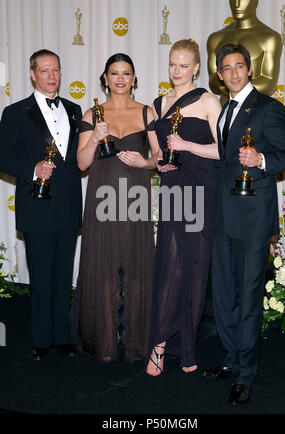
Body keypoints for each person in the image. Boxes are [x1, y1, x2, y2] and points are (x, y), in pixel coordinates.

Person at [200, 44, 285, 404]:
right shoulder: (225, 109)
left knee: (249, 296)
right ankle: (231, 359)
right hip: (224, 214)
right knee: (224, 295)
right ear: (220, 75)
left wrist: (260, 159)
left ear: (250, 68)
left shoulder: (269, 109)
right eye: (226, 68)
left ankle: (245, 374)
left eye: (239, 66)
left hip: (255, 218)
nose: (234, 73)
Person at [74, 53, 159, 363]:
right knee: (104, 265)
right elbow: (82, 163)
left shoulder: (147, 112)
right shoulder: (92, 113)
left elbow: (160, 158)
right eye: (114, 73)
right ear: (105, 79)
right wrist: (95, 137)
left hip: (135, 199)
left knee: (137, 265)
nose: (120, 78)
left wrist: (145, 161)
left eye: (126, 73)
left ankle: (137, 343)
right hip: (101, 200)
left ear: (134, 78)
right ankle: (105, 342)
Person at [0, 49, 83, 360]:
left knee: (63, 276)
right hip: (37, 205)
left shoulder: (76, 110)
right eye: (45, 71)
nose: (51, 76)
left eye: (56, 70)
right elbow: (2, 156)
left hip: (68, 204)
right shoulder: (15, 112)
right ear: (33, 74)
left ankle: (62, 337)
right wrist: (32, 169)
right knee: (41, 276)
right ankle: (41, 339)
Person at [146, 39, 221, 375]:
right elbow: (161, 153)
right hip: (174, 189)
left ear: (196, 68)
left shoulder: (208, 101)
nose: (176, 71)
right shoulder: (160, 103)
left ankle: (186, 347)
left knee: (193, 267)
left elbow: (225, 150)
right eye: (172, 65)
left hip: (202, 189)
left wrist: (187, 144)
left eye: (183, 65)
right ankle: (160, 344)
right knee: (171, 265)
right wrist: (159, 162)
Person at [207, 0, 282, 104]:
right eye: (233, 0)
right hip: (223, 111)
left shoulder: (270, 38)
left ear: (255, 2)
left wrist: (232, 86)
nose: (237, 4)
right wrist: (235, 86)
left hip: (255, 111)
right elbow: (213, 81)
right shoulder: (216, 38)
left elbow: (269, 84)